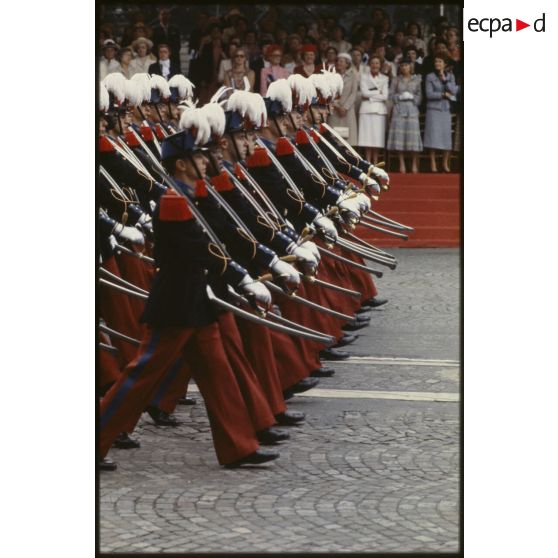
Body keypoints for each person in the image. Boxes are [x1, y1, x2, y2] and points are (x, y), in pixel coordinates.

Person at [387, 58, 423, 173]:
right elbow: (390, 95)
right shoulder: (396, 79)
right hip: (399, 109)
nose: (404, 68)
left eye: (406, 65)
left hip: (412, 109)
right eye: (402, 66)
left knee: (413, 137)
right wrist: (399, 97)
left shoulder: (417, 79)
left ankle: (414, 164)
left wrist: (412, 97)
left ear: (410, 67)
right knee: (399, 137)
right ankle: (401, 163)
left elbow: (420, 96)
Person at [424, 54, 457, 172]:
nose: (437, 63)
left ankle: (445, 163)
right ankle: (433, 163)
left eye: (440, 61)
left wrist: (444, 79)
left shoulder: (450, 76)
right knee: (433, 137)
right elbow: (429, 94)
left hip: (445, 110)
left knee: (446, 138)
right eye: (436, 61)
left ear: (445, 64)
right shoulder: (430, 76)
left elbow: (453, 91)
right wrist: (442, 95)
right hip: (433, 110)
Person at [358, 55, 388, 164]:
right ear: (369, 64)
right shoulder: (363, 77)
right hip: (366, 110)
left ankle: (376, 162)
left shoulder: (385, 78)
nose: (375, 65)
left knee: (377, 138)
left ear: (380, 65)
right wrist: (377, 92)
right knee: (367, 138)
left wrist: (370, 95)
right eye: (373, 63)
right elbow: (364, 93)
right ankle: (367, 162)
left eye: (377, 63)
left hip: (379, 111)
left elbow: (385, 96)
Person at [327, 53, 359, 146]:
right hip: (334, 110)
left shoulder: (353, 76)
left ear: (347, 64)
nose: (338, 63)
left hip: (347, 111)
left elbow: (353, 93)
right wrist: (337, 107)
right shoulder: (331, 76)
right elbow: (328, 93)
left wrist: (345, 107)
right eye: (337, 61)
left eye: (341, 61)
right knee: (334, 139)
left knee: (348, 140)